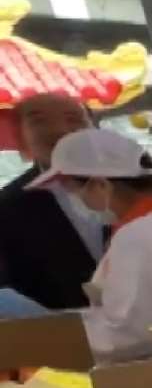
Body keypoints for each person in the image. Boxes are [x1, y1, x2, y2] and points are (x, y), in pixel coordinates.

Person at [0, 129, 152, 362]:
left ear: (100, 185)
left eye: (71, 190)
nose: (74, 199)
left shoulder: (142, 235)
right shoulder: (150, 224)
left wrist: (47, 331)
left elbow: (130, 335)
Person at [0, 92, 103, 310]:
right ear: (20, 137)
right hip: (64, 337)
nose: (60, 131)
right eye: (39, 120)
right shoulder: (7, 207)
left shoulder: (142, 181)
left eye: (73, 118)